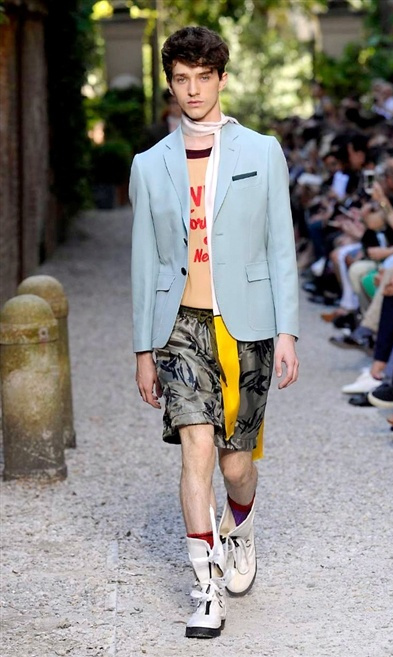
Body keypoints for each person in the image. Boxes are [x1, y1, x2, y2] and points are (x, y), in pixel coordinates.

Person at [129, 26, 299, 639]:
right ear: (170, 84)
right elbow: (145, 261)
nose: (193, 90)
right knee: (196, 450)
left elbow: (280, 245)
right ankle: (205, 587)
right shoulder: (149, 166)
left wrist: (288, 331)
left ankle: (241, 528)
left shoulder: (263, 152)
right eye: (182, 79)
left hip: (246, 324)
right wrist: (143, 349)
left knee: (235, 465)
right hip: (180, 326)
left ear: (222, 79)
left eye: (204, 77)